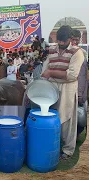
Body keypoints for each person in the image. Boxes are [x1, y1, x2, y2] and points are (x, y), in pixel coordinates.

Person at [41, 25, 84, 160]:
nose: (60, 44)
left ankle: (68, 150)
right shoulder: (52, 50)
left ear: (70, 39)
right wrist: (44, 77)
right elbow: (45, 68)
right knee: (52, 116)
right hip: (52, 86)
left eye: (63, 41)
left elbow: (72, 75)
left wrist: (51, 72)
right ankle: (53, 145)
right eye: (58, 41)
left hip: (67, 87)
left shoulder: (77, 52)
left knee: (67, 119)